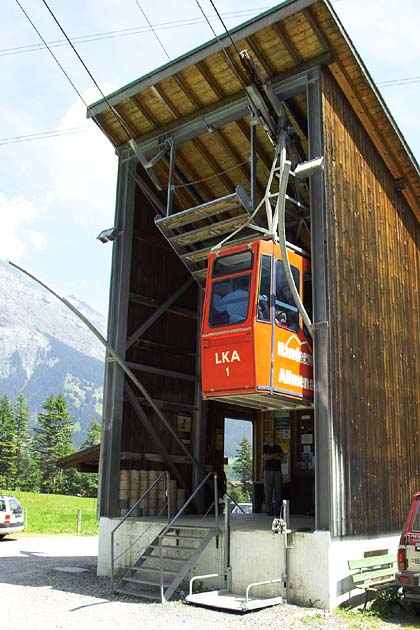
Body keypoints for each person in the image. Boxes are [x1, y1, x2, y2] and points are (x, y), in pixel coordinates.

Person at [263, 443, 283, 516]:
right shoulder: (265, 447)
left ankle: (277, 510)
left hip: (278, 470)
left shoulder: (278, 446)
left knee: (278, 490)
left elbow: (281, 457)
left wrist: (270, 456)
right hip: (268, 471)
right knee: (268, 491)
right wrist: (275, 455)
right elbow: (265, 457)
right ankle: (269, 510)